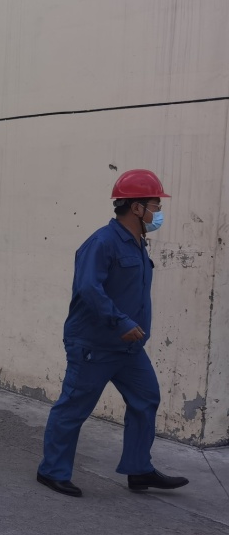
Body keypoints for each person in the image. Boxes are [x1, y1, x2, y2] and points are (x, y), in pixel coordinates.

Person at [37, 169, 189, 497]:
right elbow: (89, 289)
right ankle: (52, 471)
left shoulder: (138, 243)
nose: (158, 212)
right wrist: (121, 323)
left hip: (129, 348)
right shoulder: (102, 242)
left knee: (146, 399)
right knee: (73, 407)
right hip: (95, 345)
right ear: (136, 207)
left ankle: (139, 469)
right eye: (155, 205)